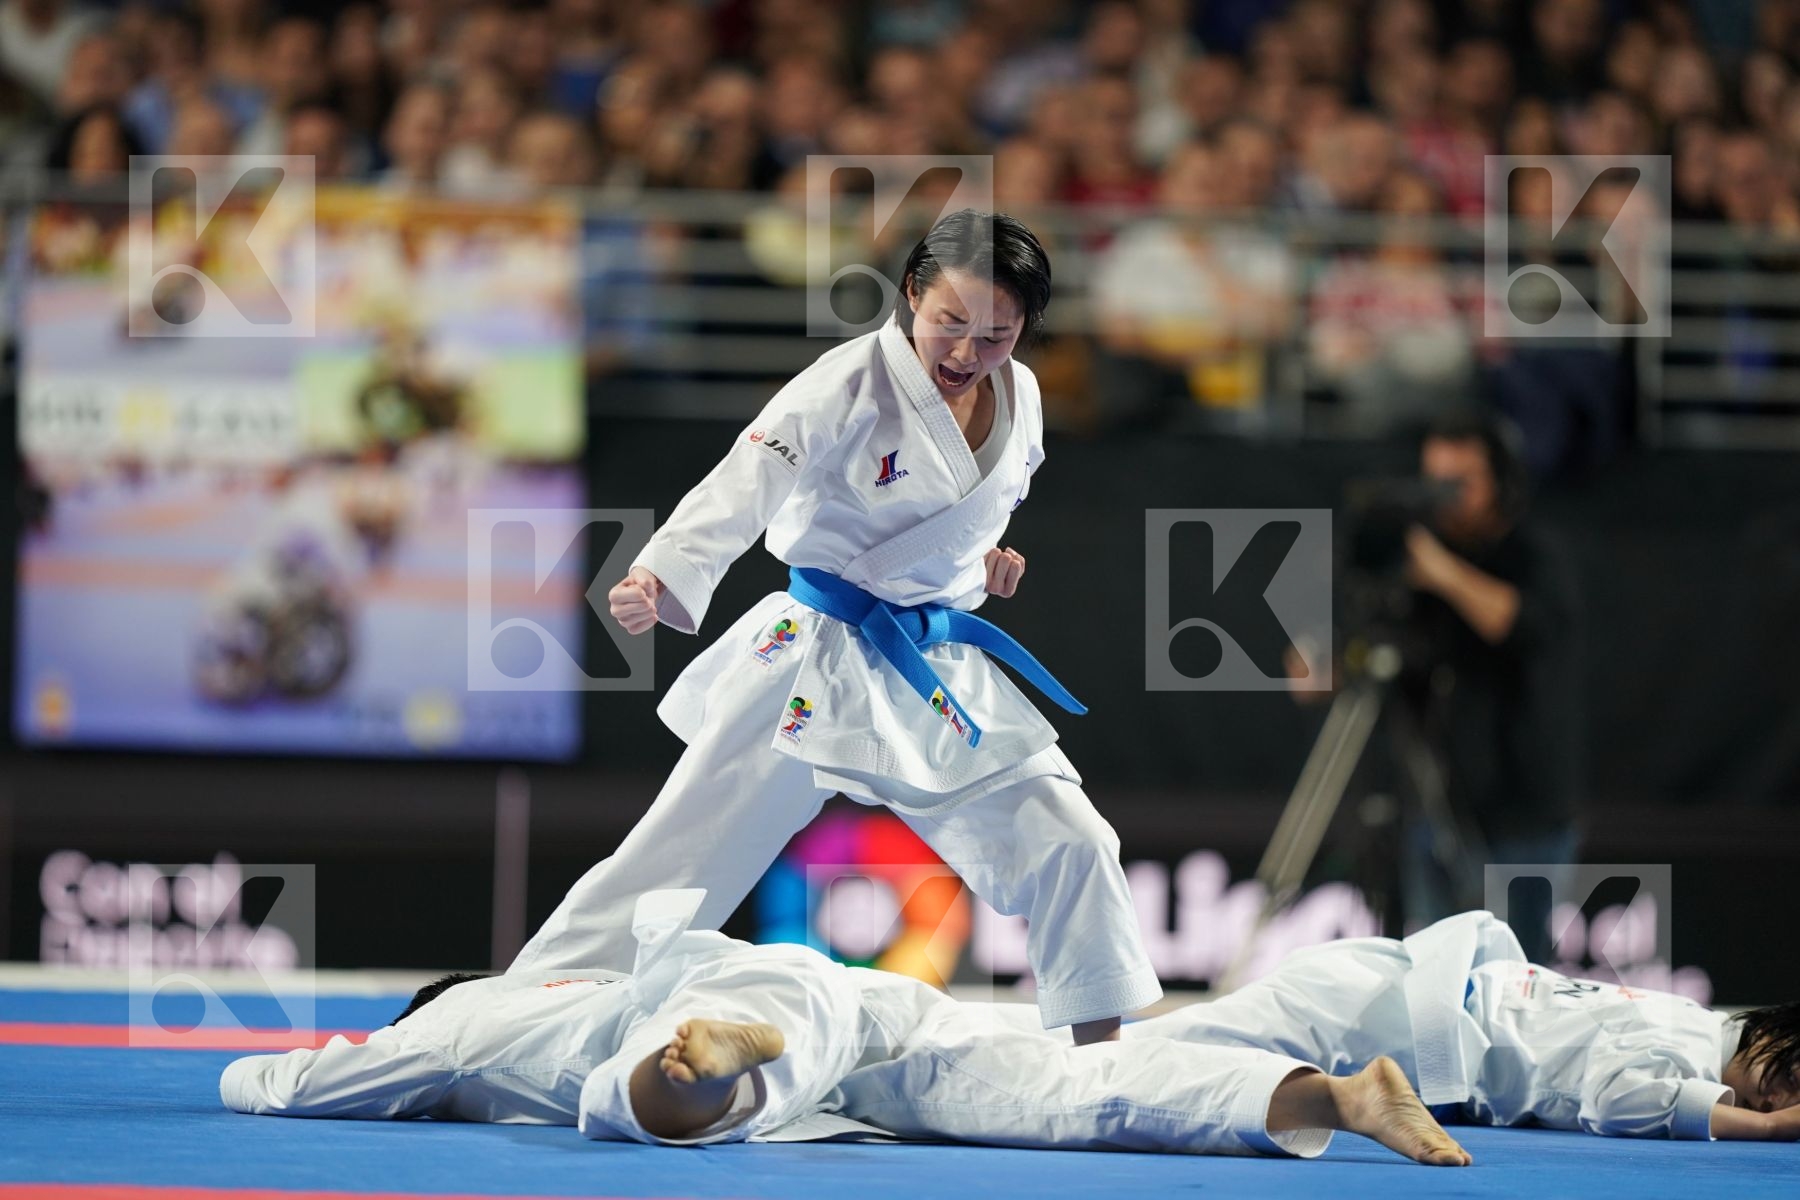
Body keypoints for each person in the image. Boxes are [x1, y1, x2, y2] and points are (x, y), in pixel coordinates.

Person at [529, 210, 1161, 1045]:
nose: (969, 354)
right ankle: (523, 1011)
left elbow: (970, 513)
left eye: (998, 335)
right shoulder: (844, 382)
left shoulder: (1026, 395)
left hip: (934, 662)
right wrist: (661, 569)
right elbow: (747, 478)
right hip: (814, 658)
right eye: (951, 323)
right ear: (911, 295)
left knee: (1071, 837)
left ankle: (1101, 1058)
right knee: (676, 859)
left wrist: (986, 564)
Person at [222, 888, 1471, 1166]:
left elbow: (302, 1081)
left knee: (634, 1100)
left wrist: (249, 1074)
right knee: (1068, 1094)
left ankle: (710, 1063)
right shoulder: (549, 990)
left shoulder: (468, 1027)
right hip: (843, 1033)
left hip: (750, 1015)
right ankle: (1329, 1097)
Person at [1134, 910, 1800, 1142]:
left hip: (1391, 998)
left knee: (1163, 1050)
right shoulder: (1685, 1040)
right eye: (1788, 1080)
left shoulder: (1690, 1022)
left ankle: (1048, 1053)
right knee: (1142, 1058)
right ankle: (1038, 1060)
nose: (1775, 1101)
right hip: (1377, 1019)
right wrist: (1765, 1128)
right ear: (1768, 1032)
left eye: (1791, 1102)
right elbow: (1618, 1100)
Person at [1395, 408, 1584, 962]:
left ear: (1500, 480)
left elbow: (1516, 622)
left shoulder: (1535, 553)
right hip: (1437, 797)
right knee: (1437, 972)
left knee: (1518, 980)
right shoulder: (1419, 554)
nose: (1446, 497)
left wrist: (1441, 573)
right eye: (1436, 482)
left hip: (1523, 805)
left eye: (1462, 483)